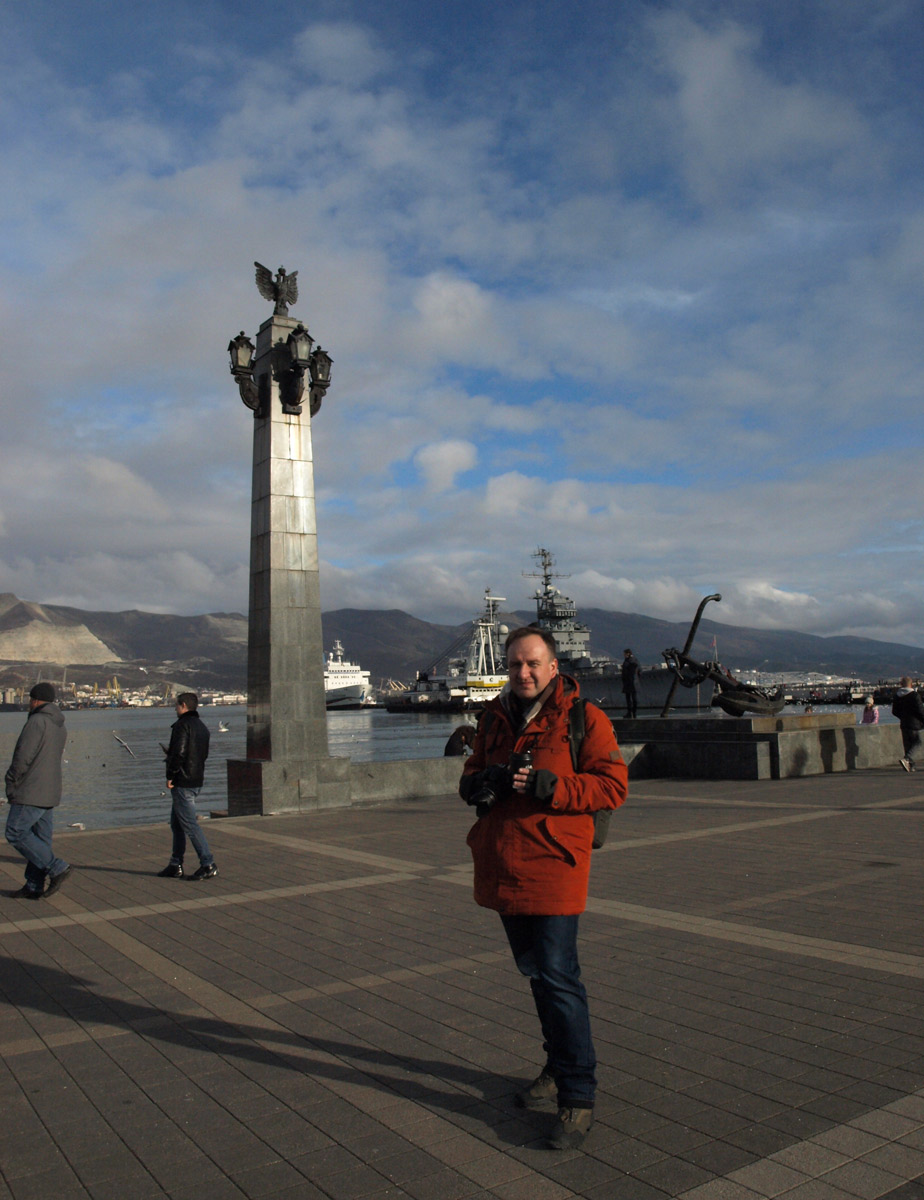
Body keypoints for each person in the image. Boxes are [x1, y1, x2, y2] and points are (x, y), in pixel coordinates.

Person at [460, 626, 628, 1151]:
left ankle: (578, 1095)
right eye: (514, 665)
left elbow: (613, 785)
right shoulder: (493, 717)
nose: (523, 673)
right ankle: (556, 1068)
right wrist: (476, 782)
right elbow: (470, 770)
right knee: (535, 972)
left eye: (533, 663)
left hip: (555, 863)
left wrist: (550, 785)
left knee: (558, 977)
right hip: (504, 862)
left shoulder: (585, 719)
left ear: (554, 667)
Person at [4, 682, 70, 900]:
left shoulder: (37, 721)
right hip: (50, 790)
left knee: (15, 831)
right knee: (41, 839)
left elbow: (23, 757)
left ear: (35, 700)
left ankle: (57, 867)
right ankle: (34, 885)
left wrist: (11, 781)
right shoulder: (59, 724)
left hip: (31, 789)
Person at [159, 693, 217, 880]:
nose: (175, 709)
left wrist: (171, 775)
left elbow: (180, 754)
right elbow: (202, 754)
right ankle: (175, 864)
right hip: (196, 779)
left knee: (190, 825)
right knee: (177, 824)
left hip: (183, 781)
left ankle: (208, 863)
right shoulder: (202, 727)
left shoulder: (182, 726)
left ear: (183, 706)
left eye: (176, 705)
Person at [891, 677, 924, 772]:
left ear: (901, 684)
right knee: (918, 742)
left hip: (904, 724)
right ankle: (907, 759)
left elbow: (894, 711)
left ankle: (910, 766)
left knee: (908, 745)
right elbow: (920, 711)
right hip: (915, 724)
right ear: (911, 684)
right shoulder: (914, 695)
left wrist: (902, 717)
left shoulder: (897, 696)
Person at [620, 648, 639, 718]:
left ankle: (631, 713)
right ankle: (633, 713)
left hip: (629, 682)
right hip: (632, 682)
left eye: (624, 653)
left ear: (628, 653)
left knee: (630, 698)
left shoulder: (629, 661)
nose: (624, 655)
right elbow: (639, 670)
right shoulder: (634, 660)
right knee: (632, 698)